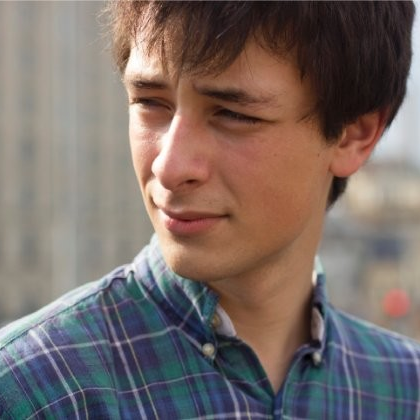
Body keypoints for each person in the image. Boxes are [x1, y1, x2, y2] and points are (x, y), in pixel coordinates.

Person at [0, 2, 418, 419]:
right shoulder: (32, 392)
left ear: (353, 135)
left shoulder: (405, 390)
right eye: (149, 102)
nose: (169, 166)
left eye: (232, 114)